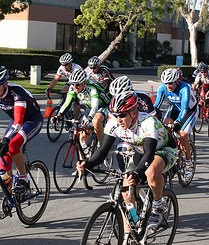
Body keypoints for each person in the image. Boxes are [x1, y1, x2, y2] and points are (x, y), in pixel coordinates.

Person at [76, 91, 177, 231]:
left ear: (134, 112)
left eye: (122, 115)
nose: (118, 119)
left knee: (151, 171)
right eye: (115, 115)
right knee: (126, 192)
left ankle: (158, 207)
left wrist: (137, 173)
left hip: (164, 149)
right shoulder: (114, 123)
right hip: (140, 150)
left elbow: (149, 154)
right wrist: (88, 163)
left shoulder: (148, 122)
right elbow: (102, 150)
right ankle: (132, 228)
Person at [154, 68, 197, 179]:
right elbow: (156, 108)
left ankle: (188, 163)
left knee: (182, 135)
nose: (168, 86)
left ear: (177, 81)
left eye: (171, 83)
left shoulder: (184, 88)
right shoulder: (162, 88)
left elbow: (184, 109)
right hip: (175, 109)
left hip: (189, 110)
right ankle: (171, 153)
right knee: (165, 127)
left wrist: (178, 122)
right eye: (166, 83)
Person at [55, 68, 111, 145]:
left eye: (77, 84)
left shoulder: (92, 88)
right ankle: (83, 154)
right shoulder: (73, 88)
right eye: (73, 84)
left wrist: (90, 118)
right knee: (82, 137)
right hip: (90, 107)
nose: (75, 87)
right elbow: (67, 103)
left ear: (84, 83)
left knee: (96, 122)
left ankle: (102, 147)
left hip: (103, 106)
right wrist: (58, 115)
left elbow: (95, 106)